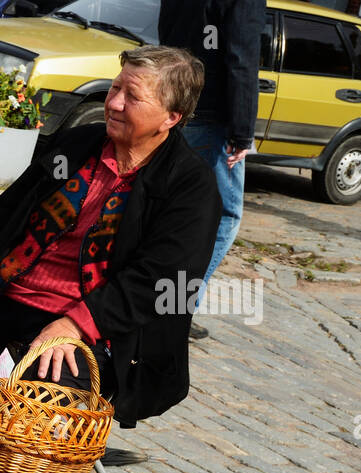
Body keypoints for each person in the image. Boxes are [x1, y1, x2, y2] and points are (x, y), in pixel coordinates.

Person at [0, 45, 220, 473]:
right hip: (6, 292)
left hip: (94, 326)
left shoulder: (189, 187)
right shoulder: (78, 145)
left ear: (171, 117)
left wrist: (74, 324)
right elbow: (8, 213)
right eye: (115, 88)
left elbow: (161, 280)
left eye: (133, 96)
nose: (115, 102)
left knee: (50, 389)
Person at [160, 0, 267, 339]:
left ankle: (158, 303)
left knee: (168, 209)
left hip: (177, 106)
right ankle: (175, 310)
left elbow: (168, 40)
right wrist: (242, 133)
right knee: (221, 217)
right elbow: (242, 57)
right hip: (212, 118)